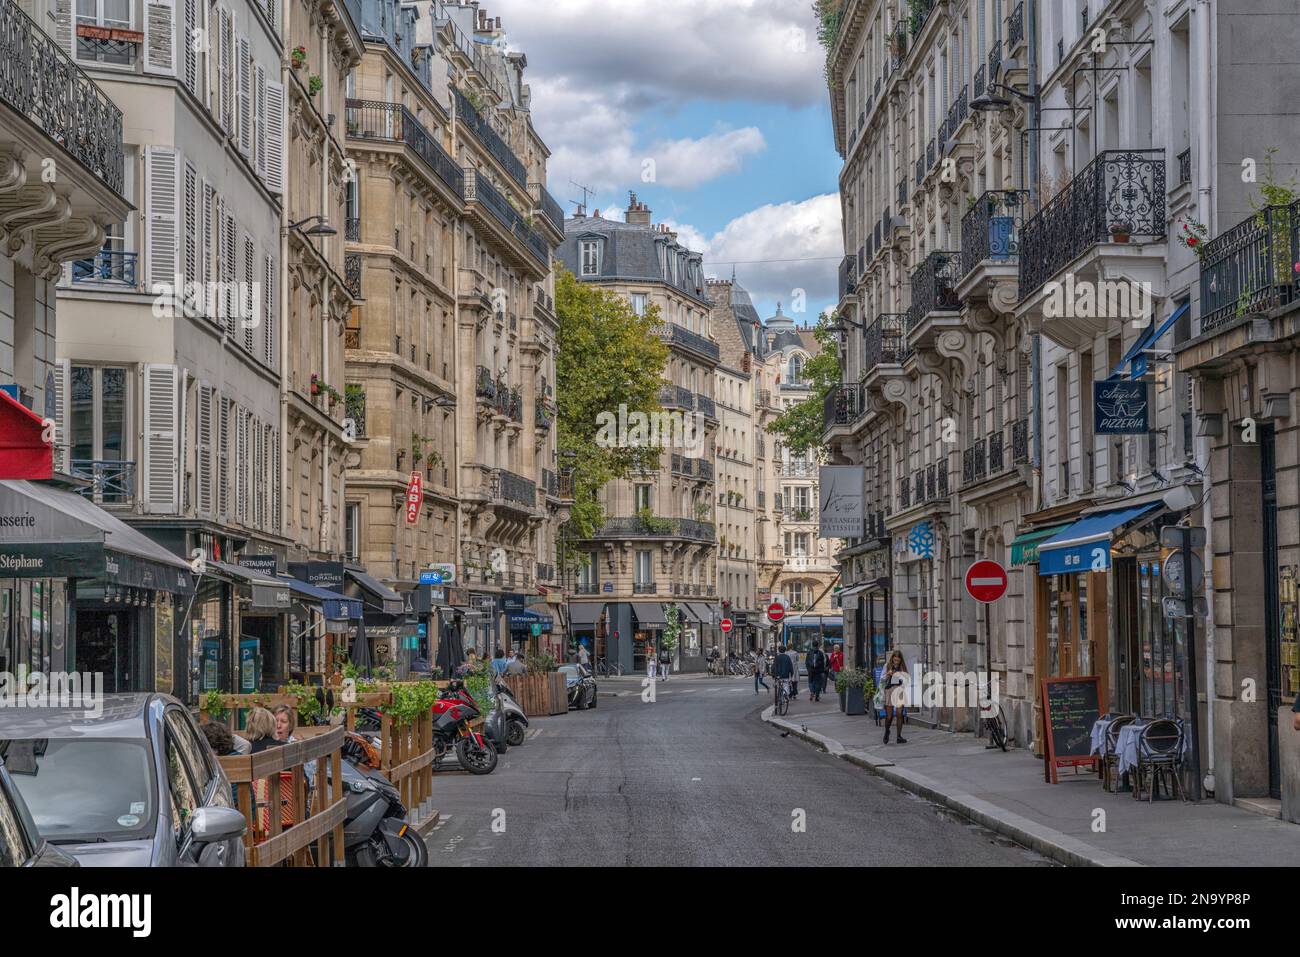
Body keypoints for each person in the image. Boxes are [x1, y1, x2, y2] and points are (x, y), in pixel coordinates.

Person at [881, 650, 909, 744]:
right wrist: (887, 674)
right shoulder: (887, 666)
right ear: (892, 658)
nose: (896, 662)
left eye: (898, 660)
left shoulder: (902, 668)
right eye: (894, 660)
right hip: (889, 691)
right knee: (889, 716)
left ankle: (898, 736)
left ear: (900, 660)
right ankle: (887, 732)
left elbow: (906, 681)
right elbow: (882, 679)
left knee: (899, 714)